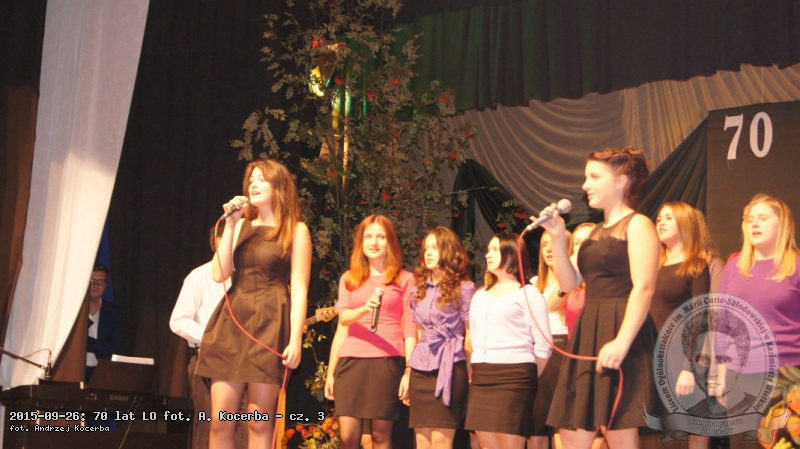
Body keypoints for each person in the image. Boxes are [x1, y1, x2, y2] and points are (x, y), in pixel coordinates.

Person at [539, 146, 660, 448]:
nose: (585, 185)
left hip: (622, 329)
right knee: (572, 430)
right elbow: (569, 282)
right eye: (586, 177)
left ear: (620, 181)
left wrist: (622, 341)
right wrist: (557, 237)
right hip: (589, 331)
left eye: (594, 177)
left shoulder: (638, 225)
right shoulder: (593, 233)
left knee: (619, 430)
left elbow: (644, 287)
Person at [195, 159, 312, 449]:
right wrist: (231, 223)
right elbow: (219, 273)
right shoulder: (241, 225)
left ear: (278, 187)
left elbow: (299, 288)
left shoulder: (295, 230)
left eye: (262, 179)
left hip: (270, 322)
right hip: (233, 321)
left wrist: (295, 340)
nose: (253, 184)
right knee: (221, 420)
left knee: (259, 422)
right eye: (251, 179)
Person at [719, 194, 800, 449]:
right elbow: (723, 325)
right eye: (749, 219)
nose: (754, 223)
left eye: (762, 218)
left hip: (787, 377)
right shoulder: (734, 267)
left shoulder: (796, 265)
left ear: (783, 224)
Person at [328, 215, 416, 449]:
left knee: (379, 436)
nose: (373, 242)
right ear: (361, 242)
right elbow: (343, 321)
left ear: (390, 242)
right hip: (350, 361)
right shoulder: (349, 278)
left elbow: (410, 328)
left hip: (386, 362)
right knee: (348, 437)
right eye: (368, 237)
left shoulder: (405, 279)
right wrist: (330, 373)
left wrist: (409, 370)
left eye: (380, 237)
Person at [465, 233, 552, 449]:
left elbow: (544, 344)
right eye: (489, 250)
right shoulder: (480, 295)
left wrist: (526, 377)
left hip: (515, 376)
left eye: (495, 250)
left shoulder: (528, 293)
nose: (488, 255)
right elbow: (474, 337)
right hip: (482, 376)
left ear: (512, 254)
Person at [169, 222, 247, 449]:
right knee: (210, 428)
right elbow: (178, 321)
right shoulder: (199, 277)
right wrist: (214, 337)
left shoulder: (247, 278)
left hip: (244, 364)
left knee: (245, 431)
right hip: (207, 361)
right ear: (218, 241)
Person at [406, 227, 474, 449]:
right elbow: (417, 333)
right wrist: (408, 372)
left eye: (434, 248)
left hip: (450, 367)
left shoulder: (464, 288)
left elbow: (470, 334)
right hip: (420, 369)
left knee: (441, 443)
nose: (428, 253)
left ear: (449, 251)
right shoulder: (418, 290)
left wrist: (468, 370)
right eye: (426, 248)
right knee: (422, 443)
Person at [529, 230, 570, 449]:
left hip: (566, 349)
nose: (548, 250)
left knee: (562, 422)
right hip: (539, 351)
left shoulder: (575, 281)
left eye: (553, 243)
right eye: (544, 245)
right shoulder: (534, 283)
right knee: (537, 420)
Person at [681, 308, 756, 419]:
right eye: (703, 359)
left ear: (742, 363)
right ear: (691, 365)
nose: (712, 371)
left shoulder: (759, 413)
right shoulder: (690, 415)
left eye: (723, 360)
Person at [86, 263, 124, 383]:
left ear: (106, 285)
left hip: (102, 371)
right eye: (92, 281)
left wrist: (90, 344)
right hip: (76, 370)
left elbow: (117, 348)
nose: (95, 285)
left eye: (100, 282)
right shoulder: (75, 311)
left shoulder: (114, 312)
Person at [562, 223, 595, 337]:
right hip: (576, 345)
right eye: (577, 243)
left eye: (587, 240)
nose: (582, 246)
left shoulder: (609, 278)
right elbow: (551, 305)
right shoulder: (571, 283)